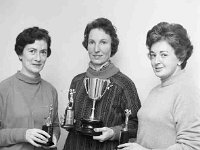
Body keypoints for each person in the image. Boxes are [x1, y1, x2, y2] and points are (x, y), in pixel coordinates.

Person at [118, 22, 200, 150]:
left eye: (164, 55)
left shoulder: (186, 92)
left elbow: (191, 146)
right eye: (153, 55)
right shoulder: (155, 91)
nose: (156, 61)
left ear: (180, 58)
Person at [63, 17, 141, 150]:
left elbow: (136, 124)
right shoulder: (77, 81)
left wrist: (113, 132)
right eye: (92, 42)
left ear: (112, 46)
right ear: (86, 45)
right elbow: (72, 119)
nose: (96, 49)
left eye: (103, 42)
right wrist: (67, 119)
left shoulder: (124, 84)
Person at [0, 27, 60, 150]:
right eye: (32, 51)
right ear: (20, 54)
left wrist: (54, 137)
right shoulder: (3, 89)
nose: (38, 58)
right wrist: (23, 134)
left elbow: (55, 126)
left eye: (43, 52)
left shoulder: (51, 90)